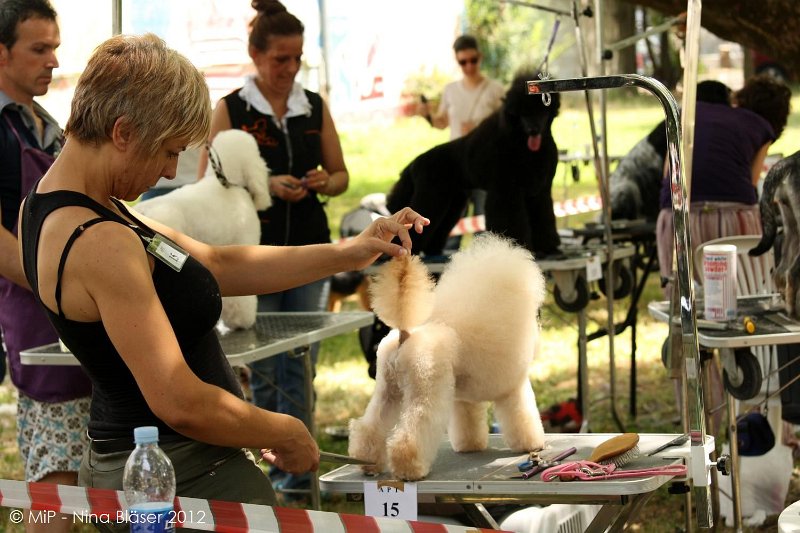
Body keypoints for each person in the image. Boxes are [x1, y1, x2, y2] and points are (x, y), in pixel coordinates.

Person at [18, 32, 428, 532]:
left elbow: (215, 262)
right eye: (168, 152)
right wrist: (282, 428)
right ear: (123, 132)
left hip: (175, 467)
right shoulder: (99, 240)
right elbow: (180, 401)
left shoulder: (71, 204)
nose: (170, 171)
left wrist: (353, 249)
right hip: (175, 477)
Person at [198, 0, 349, 496]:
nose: (289, 69)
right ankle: (281, 475)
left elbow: (341, 174)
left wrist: (325, 183)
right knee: (263, 367)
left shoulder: (314, 106)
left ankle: (302, 473)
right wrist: (264, 184)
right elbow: (209, 184)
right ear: (255, 55)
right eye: (280, 59)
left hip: (309, 250)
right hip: (252, 259)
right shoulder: (231, 109)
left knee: (301, 361)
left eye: (297, 59)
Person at [0, 2, 91, 531]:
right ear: (1, 52)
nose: (53, 61)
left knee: (95, 476)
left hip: (78, 305)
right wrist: (62, 283)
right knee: (56, 478)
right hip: (34, 313)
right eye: (39, 49)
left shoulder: (47, 123)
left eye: (55, 48)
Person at [656, 75, 792, 293]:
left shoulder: (687, 114)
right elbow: (752, 180)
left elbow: (668, 172)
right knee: (740, 294)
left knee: (681, 299)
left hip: (677, 216)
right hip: (734, 218)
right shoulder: (762, 128)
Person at [420, 34, 504, 247]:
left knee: (483, 218)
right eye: (463, 62)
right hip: (455, 162)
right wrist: (427, 115)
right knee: (450, 216)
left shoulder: (495, 89)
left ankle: (484, 263)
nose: (468, 66)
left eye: (473, 60)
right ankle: (445, 264)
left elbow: (505, 127)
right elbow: (442, 122)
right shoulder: (450, 90)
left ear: (480, 57)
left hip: (485, 161)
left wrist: (479, 129)